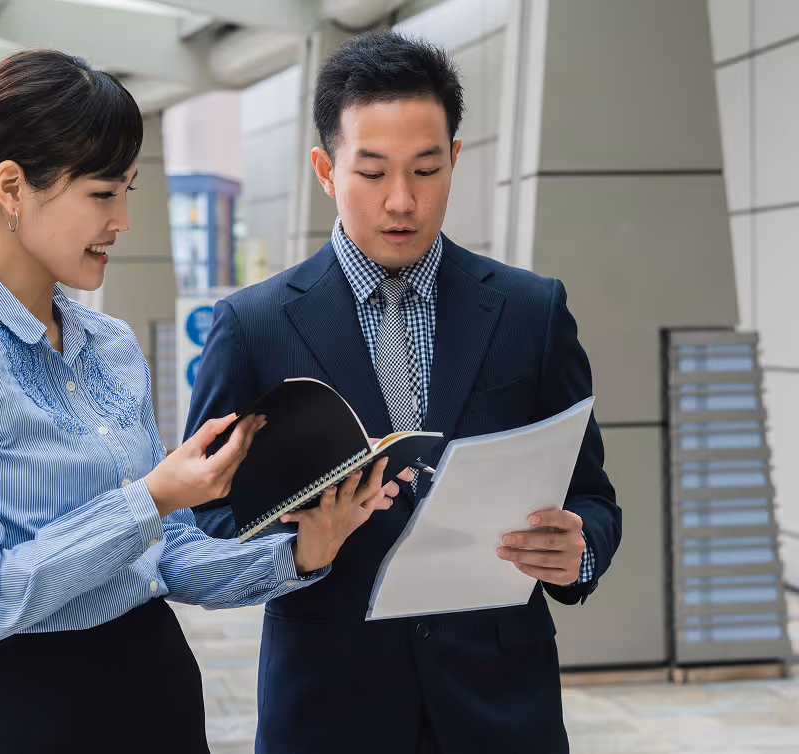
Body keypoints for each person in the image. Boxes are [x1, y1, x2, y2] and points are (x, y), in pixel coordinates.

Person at [0, 49, 411, 754]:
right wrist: (149, 498)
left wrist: (303, 552)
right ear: (11, 187)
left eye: (127, 190)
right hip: (39, 715)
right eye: (101, 193)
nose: (122, 219)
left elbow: (167, 558)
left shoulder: (112, 344)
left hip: (160, 690)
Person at [186, 32, 622, 754]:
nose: (402, 201)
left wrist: (579, 550)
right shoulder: (254, 327)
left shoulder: (531, 312)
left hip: (501, 712)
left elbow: (593, 495)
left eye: (425, 170)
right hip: (328, 713)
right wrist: (300, 546)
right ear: (326, 170)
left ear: (455, 158)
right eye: (373, 172)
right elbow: (203, 522)